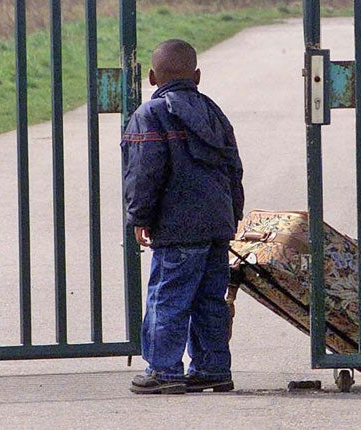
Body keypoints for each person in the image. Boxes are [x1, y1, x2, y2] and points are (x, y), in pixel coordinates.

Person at [121, 39, 244, 394]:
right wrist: (232, 214)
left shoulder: (149, 115)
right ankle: (213, 368)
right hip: (216, 226)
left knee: (168, 297)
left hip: (177, 229)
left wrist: (139, 218)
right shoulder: (214, 113)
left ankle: (163, 371)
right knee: (209, 301)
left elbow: (144, 174)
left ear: (151, 77)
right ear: (197, 76)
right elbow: (234, 168)